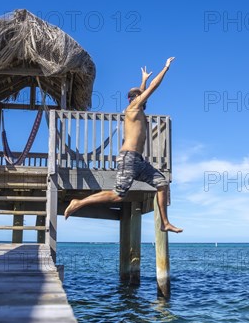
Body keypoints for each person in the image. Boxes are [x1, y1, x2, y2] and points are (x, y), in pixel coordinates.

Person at [64, 57, 183, 233]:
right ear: (133, 99)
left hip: (139, 161)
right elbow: (152, 89)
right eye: (138, 94)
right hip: (128, 158)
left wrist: (143, 79)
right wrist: (165, 68)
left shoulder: (139, 110)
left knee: (162, 183)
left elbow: (143, 91)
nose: (141, 95)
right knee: (118, 196)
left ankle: (164, 223)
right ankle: (78, 203)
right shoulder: (133, 108)